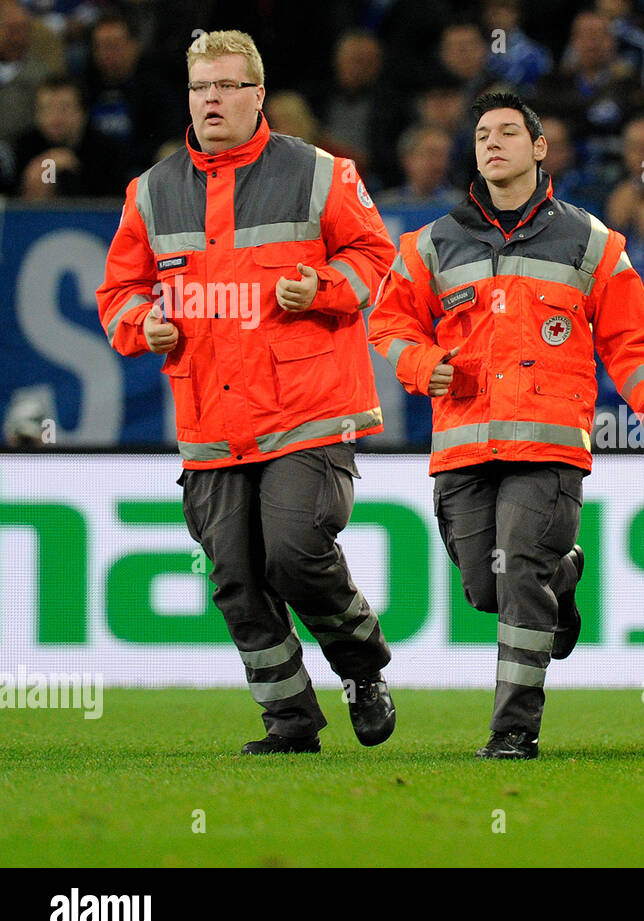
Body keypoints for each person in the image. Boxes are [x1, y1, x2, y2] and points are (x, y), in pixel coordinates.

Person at [96, 30, 398, 756]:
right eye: (202, 88)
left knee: (293, 552)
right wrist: (146, 321)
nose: (213, 100)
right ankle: (290, 717)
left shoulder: (320, 173)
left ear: (258, 96)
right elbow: (117, 295)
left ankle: (360, 667)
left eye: (228, 86)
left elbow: (378, 261)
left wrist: (320, 287)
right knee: (234, 575)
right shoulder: (152, 190)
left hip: (307, 410)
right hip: (210, 419)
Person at [367, 91, 644, 760]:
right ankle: (564, 578)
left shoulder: (593, 241)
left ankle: (513, 731)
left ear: (540, 149)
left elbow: (630, 340)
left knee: (518, 581)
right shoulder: (430, 243)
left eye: (509, 132)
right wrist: (421, 363)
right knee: (485, 585)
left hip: (549, 443)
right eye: (483, 134)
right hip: (463, 447)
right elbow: (388, 324)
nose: (494, 143)